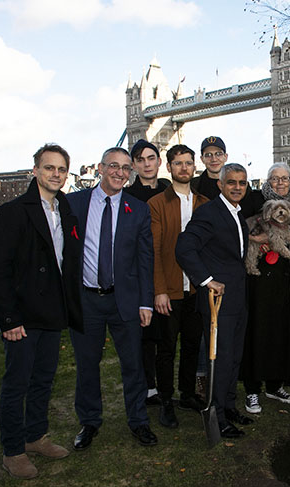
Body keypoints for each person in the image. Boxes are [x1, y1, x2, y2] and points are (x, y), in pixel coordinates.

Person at [0, 143, 83, 479]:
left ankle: (35, 437)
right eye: (49, 168)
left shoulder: (65, 210)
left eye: (61, 169)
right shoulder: (11, 213)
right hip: (22, 316)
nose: (55, 174)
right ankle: (12, 451)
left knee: (43, 380)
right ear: (35, 171)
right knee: (17, 384)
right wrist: (9, 318)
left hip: (52, 312)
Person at [66, 147, 158, 450]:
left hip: (126, 301)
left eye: (125, 168)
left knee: (133, 366)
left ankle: (139, 421)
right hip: (86, 300)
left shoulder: (138, 209)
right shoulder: (73, 204)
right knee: (87, 365)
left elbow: (145, 259)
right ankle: (89, 422)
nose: (120, 173)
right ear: (100, 168)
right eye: (114, 166)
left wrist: (146, 302)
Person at [175, 163, 254, 439]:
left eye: (242, 183)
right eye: (231, 182)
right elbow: (184, 247)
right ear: (220, 184)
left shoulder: (236, 213)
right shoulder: (209, 212)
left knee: (234, 358)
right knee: (219, 359)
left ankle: (228, 406)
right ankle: (217, 416)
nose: (237, 187)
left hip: (237, 299)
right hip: (217, 302)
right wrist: (207, 280)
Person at [147, 144, 208, 429]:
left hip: (196, 290)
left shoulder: (205, 204)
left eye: (188, 162)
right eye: (178, 163)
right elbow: (155, 250)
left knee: (192, 345)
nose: (184, 167)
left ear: (194, 166)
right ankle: (166, 400)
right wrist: (159, 289)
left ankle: (187, 395)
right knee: (166, 348)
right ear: (168, 168)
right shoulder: (157, 204)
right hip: (169, 290)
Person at [240, 163, 290, 415]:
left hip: (283, 278)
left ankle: (275, 385)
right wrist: (254, 238)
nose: (280, 183)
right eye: (275, 179)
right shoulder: (254, 198)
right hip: (257, 277)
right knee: (256, 330)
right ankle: (252, 389)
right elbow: (239, 225)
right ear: (267, 180)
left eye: (285, 178)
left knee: (279, 331)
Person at [124, 139, 168, 407]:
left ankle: (164, 387)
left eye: (151, 158)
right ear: (134, 165)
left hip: (168, 270)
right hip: (139, 273)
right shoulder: (127, 196)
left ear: (159, 162)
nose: (147, 163)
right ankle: (148, 386)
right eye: (140, 160)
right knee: (144, 335)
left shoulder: (169, 190)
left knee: (164, 335)